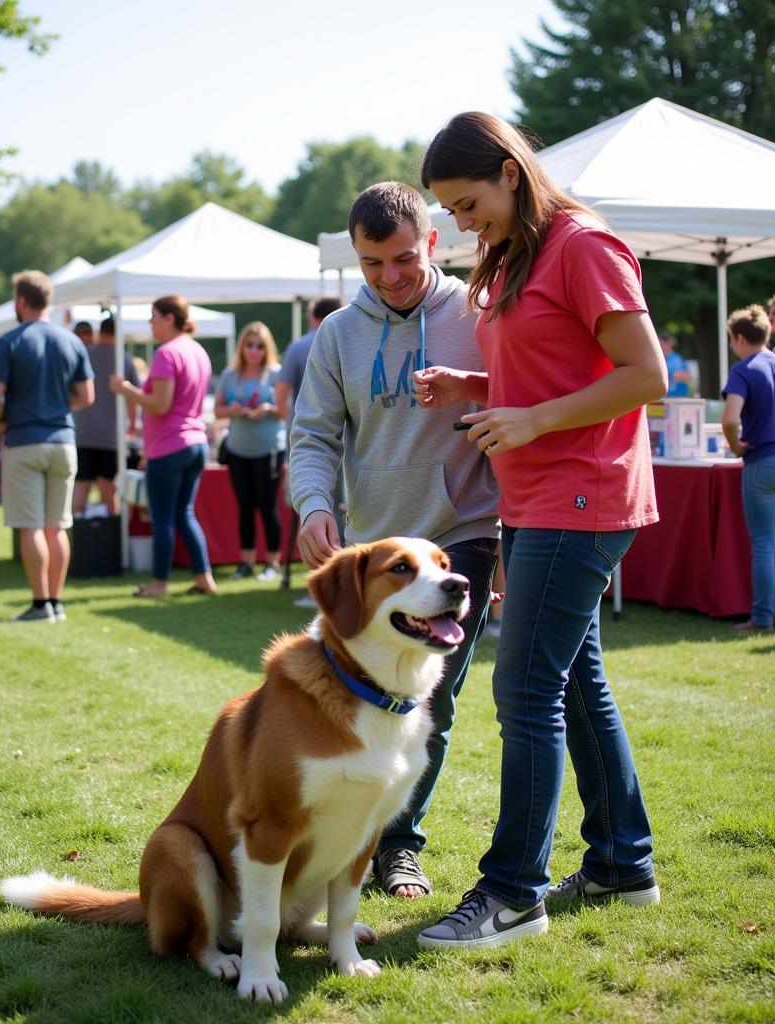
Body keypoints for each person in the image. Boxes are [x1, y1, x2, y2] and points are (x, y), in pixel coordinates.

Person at [412, 111, 667, 950]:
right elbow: (549, 364)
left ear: (511, 173)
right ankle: (623, 863)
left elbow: (645, 376)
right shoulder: (518, 253)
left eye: (466, 201)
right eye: (448, 210)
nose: (459, 222)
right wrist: (473, 382)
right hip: (533, 499)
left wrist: (530, 423)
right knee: (578, 685)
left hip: (582, 496)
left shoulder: (585, 246)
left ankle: (512, 893)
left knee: (524, 691)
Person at [289, 181, 500, 899]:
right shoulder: (339, 334)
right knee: (358, 699)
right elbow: (314, 433)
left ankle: (397, 847)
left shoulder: (479, 311)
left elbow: (521, 394)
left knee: (426, 697)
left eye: (403, 258)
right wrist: (314, 502)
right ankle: (347, 838)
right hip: (375, 556)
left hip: (462, 532)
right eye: (372, 263)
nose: (390, 276)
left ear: (434, 243)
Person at [0, 270, 95, 622]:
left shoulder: (10, 341)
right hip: (63, 441)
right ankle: (57, 603)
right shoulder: (72, 341)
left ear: (21, 301)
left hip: (24, 440)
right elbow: (86, 396)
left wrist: (4, 421)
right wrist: (56, 408)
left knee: (31, 526)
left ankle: (40, 603)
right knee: (57, 526)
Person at [110, 295, 216, 598]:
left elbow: (160, 403)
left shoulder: (167, 353)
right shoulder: (198, 350)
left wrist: (126, 389)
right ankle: (204, 577)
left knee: (164, 517)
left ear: (169, 318)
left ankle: (159, 583)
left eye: (153, 316)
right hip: (195, 443)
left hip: (171, 446)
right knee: (184, 513)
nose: (150, 323)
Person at [721, 304, 775, 631]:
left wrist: (736, 446)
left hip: (763, 461)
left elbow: (729, 419)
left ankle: (762, 618)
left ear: (739, 338)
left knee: (763, 544)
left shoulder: (744, 369)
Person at [276, 296, 343, 607]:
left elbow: (281, 396)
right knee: (338, 518)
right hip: (351, 446)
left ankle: (319, 591)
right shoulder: (347, 334)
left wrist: (291, 427)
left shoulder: (300, 346)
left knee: (315, 517)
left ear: (312, 317)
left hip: (312, 445)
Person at [215, 321, 286, 582]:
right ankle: (246, 562)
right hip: (237, 450)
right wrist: (232, 411)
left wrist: (268, 410)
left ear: (266, 348)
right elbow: (218, 410)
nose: (253, 350)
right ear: (241, 347)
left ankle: (272, 562)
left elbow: (286, 410)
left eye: (259, 345)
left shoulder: (277, 374)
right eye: (249, 344)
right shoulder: (229, 375)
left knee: (267, 508)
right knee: (244, 507)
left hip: (268, 450)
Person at [72, 317, 139, 517]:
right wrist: (133, 424)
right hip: (111, 436)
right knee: (109, 489)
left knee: (80, 487)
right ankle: (112, 539)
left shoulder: (83, 355)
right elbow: (132, 397)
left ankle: (78, 537)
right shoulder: (124, 359)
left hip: (82, 433)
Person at [658, 329, 693, 397]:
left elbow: (689, 377)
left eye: (660, 344)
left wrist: (677, 375)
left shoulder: (676, 359)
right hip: (664, 398)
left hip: (677, 398)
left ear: (668, 343)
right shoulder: (660, 359)